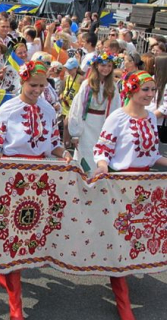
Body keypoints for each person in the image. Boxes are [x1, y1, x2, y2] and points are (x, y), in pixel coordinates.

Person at [0, 60, 72, 320]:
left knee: (30, 238)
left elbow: (53, 142)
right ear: (22, 81)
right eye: (33, 85)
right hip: (13, 177)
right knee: (14, 239)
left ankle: (2, 272)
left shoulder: (47, 109)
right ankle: (16, 308)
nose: (38, 90)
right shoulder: (8, 109)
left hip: (40, 180)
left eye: (42, 85)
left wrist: (64, 153)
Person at [93, 71, 167, 320]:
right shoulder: (117, 118)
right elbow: (102, 147)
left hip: (144, 186)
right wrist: (102, 165)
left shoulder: (149, 119)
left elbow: (153, 154)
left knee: (139, 234)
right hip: (121, 185)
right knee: (120, 239)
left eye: (152, 91)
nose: (149, 95)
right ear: (132, 90)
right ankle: (122, 298)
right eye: (145, 90)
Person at [68, 52, 121, 172]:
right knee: (86, 154)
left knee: (101, 154)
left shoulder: (112, 86)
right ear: (96, 66)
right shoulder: (88, 84)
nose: (106, 69)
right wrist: (75, 133)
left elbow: (116, 108)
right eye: (103, 65)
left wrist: (114, 129)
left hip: (103, 124)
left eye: (109, 66)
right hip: (86, 124)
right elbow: (78, 108)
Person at [60, 57, 84, 148]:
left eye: (70, 69)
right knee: (65, 124)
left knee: (67, 124)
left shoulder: (81, 79)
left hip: (74, 105)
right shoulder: (67, 77)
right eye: (67, 68)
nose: (68, 71)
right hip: (66, 103)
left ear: (76, 68)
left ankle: (66, 144)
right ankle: (66, 143)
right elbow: (65, 88)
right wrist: (62, 94)